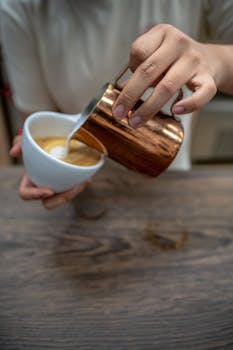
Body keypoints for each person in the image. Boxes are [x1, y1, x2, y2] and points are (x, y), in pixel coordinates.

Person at [1, 0, 233, 209]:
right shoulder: (19, 7)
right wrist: (41, 163)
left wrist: (213, 60)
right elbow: (38, 119)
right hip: (86, 188)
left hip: (167, 181)